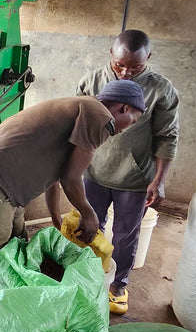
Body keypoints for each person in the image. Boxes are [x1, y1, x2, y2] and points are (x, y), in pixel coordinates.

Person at [0, 80, 145, 331]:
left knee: (17, 245)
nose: (125, 129)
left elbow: (57, 176)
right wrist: (88, 213)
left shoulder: (82, 109)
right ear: (124, 108)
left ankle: (7, 313)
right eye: (132, 121)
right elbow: (72, 178)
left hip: (6, 181)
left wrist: (55, 218)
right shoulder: (100, 116)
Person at [76, 30, 179, 316]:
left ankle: (118, 284)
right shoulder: (92, 81)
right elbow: (77, 126)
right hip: (93, 172)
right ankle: (87, 278)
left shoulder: (161, 89)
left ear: (149, 58)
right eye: (120, 65)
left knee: (124, 235)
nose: (125, 72)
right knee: (88, 228)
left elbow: (167, 136)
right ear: (111, 54)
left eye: (135, 67)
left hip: (134, 179)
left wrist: (158, 181)